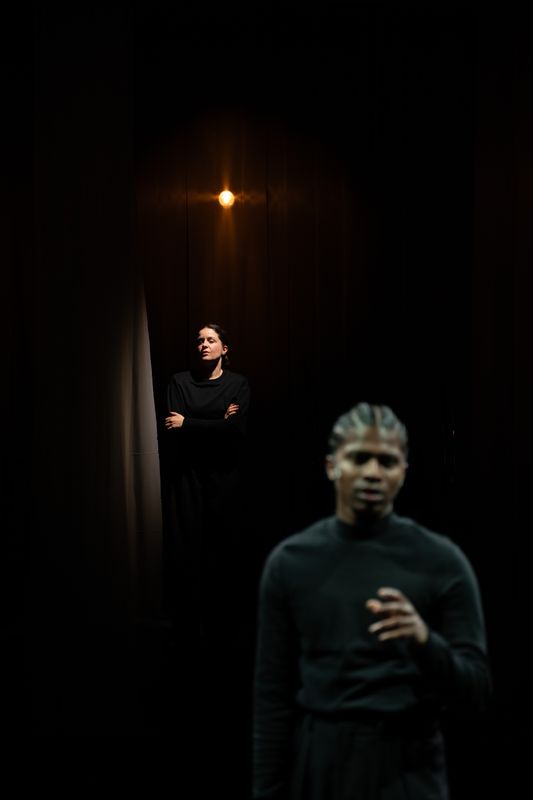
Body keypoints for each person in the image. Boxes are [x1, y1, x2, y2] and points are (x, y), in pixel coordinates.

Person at [252, 402, 491, 800]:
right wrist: (267, 790)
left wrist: (425, 642)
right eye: (359, 458)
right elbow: (271, 698)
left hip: (408, 766)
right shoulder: (291, 563)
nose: (373, 473)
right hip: (322, 764)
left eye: (387, 462)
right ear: (332, 465)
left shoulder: (441, 561)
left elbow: (477, 692)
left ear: (404, 472)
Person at [162, 322, 250, 644]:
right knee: (187, 550)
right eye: (199, 340)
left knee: (222, 548)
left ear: (224, 349)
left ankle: (222, 626)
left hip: (224, 478)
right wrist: (217, 422)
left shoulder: (238, 384)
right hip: (188, 478)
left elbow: (236, 430)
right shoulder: (180, 382)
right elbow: (173, 428)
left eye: (211, 340)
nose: (203, 344)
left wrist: (190, 423)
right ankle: (187, 626)